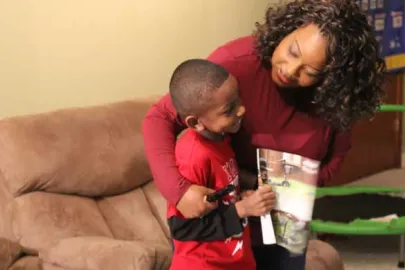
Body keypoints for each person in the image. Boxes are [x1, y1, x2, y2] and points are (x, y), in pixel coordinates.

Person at [142, 0, 384, 269]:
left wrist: (289, 185)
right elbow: (159, 118)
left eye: (311, 72)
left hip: (287, 215)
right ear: (289, 28)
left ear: (332, 79)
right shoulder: (236, 64)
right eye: (293, 51)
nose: (290, 70)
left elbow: (333, 162)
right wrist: (180, 192)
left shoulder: (337, 100)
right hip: (224, 226)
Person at [166, 59, 276, 270]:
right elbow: (182, 229)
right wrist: (242, 209)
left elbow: (222, 192)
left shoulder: (221, 137)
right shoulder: (192, 157)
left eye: (238, 99)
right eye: (229, 110)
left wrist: (243, 196)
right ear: (195, 122)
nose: (242, 109)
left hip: (236, 258)